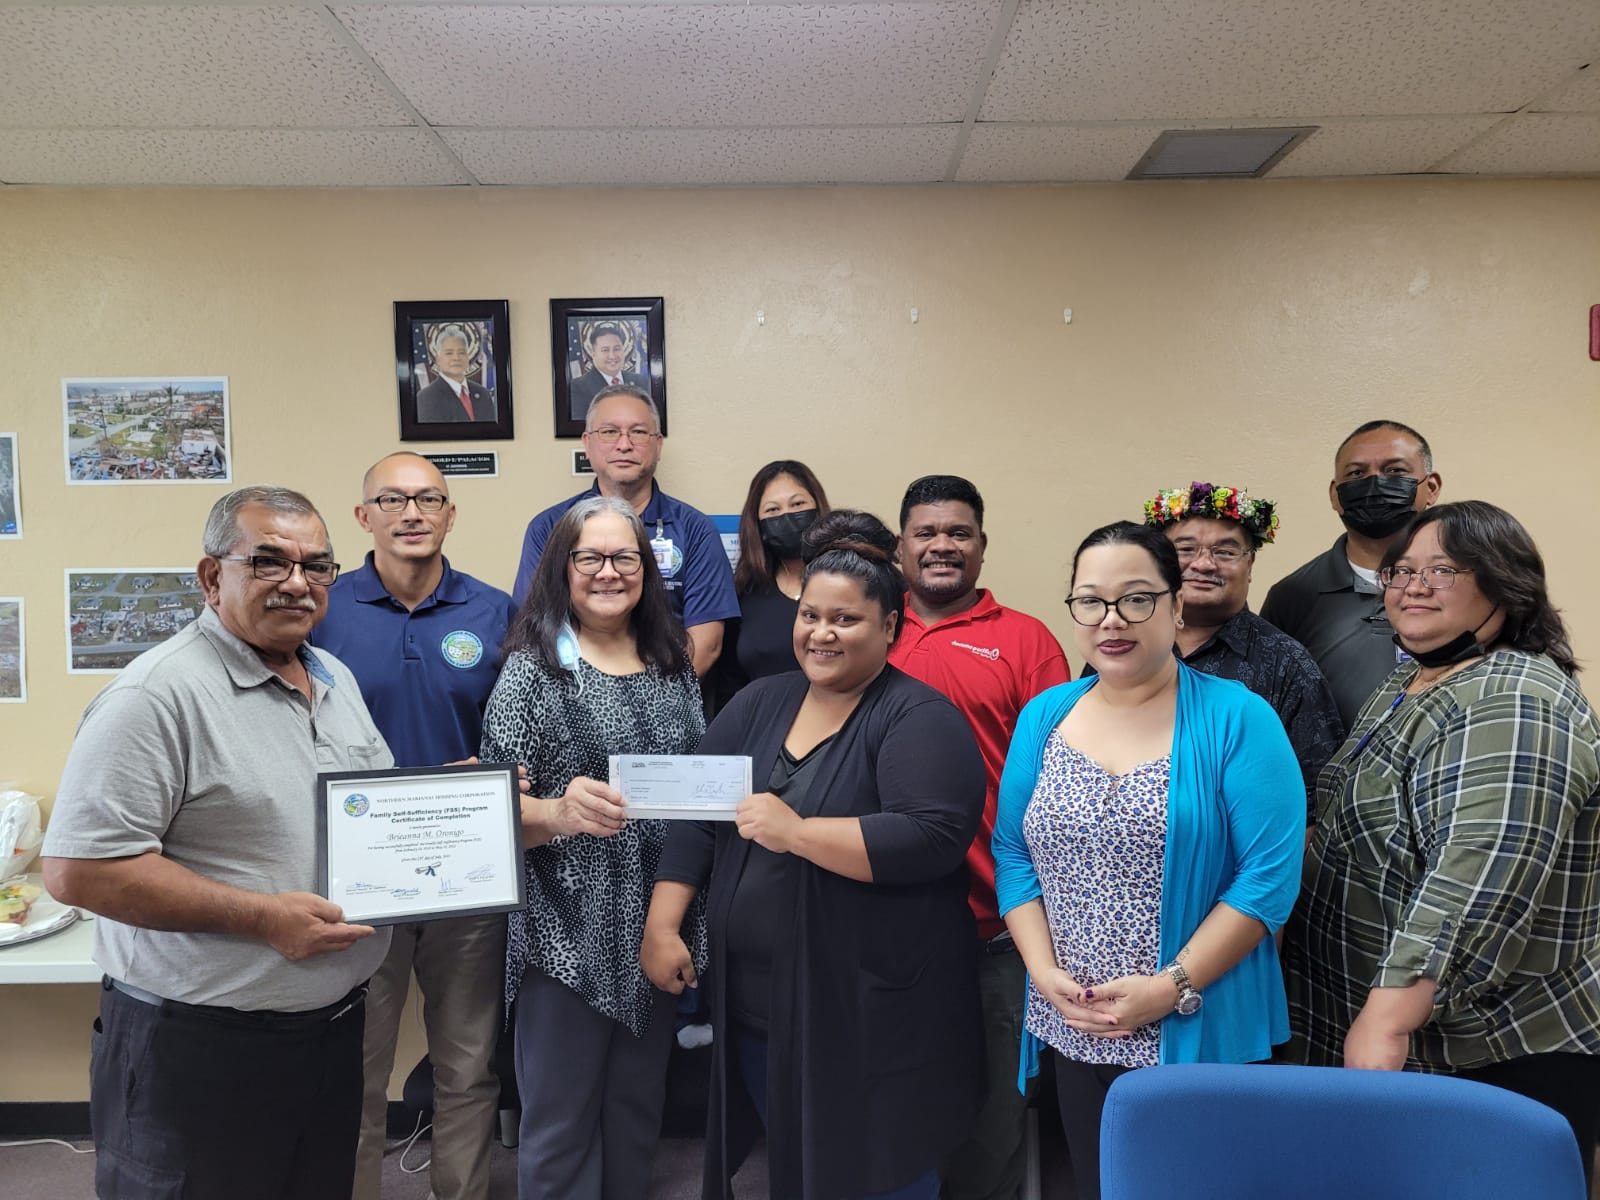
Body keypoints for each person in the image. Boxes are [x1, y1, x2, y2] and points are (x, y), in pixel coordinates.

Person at [40, 485, 392, 1200]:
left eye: (316, 566)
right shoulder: (155, 696)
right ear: (211, 577)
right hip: (199, 1050)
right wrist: (263, 917)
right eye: (269, 562)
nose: (297, 583)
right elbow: (80, 870)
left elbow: (356, 813)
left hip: (327, 1035)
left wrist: (461, 805)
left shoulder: (333, 677)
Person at [643, 510, 986, 1200]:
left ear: (890, 627)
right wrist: (663, 923)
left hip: (868, 1011)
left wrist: (797, 832)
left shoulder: (920, 718)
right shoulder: (759, 702)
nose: (821, 633)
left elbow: (930, 839)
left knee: (878, 1169)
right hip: (759, 1004)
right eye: (810, 616)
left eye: (845, 620)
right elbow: (698, 817)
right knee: (799, 1161)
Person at [1282, 501, 1600, 1184]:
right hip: (1405, 1041)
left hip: (1488, 1054)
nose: (1414, 587)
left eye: (1443, 570)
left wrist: (1387, 1020)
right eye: (1402, 571)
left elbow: (1476, 876)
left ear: (1505, 584)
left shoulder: (1514, 698)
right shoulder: (1416, 677)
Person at [992, 521, 1303, 1200]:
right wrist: (1041, 972)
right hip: (1077, 1023)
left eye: (1136, 598)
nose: (1112, 619)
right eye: (1090, 600)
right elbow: (1012, 852)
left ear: (1176, 604)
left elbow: (1268, 879)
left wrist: (1169, 988)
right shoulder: (1045, 716)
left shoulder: (1239, 718)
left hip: (1198, 1021)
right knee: (1103, 1183)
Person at [482, 495, 704, 1199]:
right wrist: (555, 812)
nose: (609, 572)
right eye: (590, 558)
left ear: (647, 570)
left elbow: (698, 793)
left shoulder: (674, 665)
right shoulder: (531, 671)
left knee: (636, 1112)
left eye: (624, 557)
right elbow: (491, 816)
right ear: (562, 568)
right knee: (560, 1124)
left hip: (656, 924)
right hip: (564, 939)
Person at [308, 452, 515, 1200]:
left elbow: (524, 725)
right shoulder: (321, 609)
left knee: (468, 1065)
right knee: (358, 1068)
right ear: (363, 517)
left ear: (451, 514)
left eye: (429, 498)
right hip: (360, 880)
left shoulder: (496, 611)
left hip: (467, 874)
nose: (412, 513)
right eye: (392, 500)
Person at [886, 474, 1071, 1200]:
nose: (942, 545)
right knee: (896, 1099)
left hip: (997, 923)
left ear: (982, 546)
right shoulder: (868, 627)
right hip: (888, 924)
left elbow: (1059, 783)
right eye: (926, 532)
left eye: (958, 532)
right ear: (900, 546)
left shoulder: (1027, 641)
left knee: (995, 1108)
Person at [1142, 482, 1344, 820]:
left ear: (1249, 565)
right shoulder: (1127, 646)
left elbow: (1318, 801)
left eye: (1225, 552)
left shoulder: (1287, 665)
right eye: (1185, 549)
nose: (1204, 564)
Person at [513, 385, 738, 677]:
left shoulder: (696, 530)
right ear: (587, 443)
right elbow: (535, 629)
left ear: (658, 445)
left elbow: (706, 644)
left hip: (668, 695)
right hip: (572, 694)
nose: (624, 444)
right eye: (609, 432)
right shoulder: (548, 527)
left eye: (638, 432)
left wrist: (654, 698)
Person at [1261, 420, 1441, 727]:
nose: (1374, 484)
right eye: (1357, 474)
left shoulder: (1468, 584)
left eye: (1395, 471)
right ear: (1335, 495)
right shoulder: (1292, 596)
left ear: (1431, 488)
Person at [719, 459, 832, 695]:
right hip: (761, 716)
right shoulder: (744, 591)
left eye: (798, 504)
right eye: (773, 510)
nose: (787, 517)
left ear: (818, 507)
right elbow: (729, 681)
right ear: (757, 524)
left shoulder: (849, 582)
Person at [568, 323, 652, 420]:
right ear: (593, 353)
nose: (612, 356)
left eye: (617, 349)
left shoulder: (642, 382)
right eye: (605, 350)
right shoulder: (577, 388)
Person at [416, 324, 495, 424]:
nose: (456, 358)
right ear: (438, 359)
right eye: (449, 353)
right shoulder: (426, 398)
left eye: (461, 352)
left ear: (468, 357)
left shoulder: (483, 394)